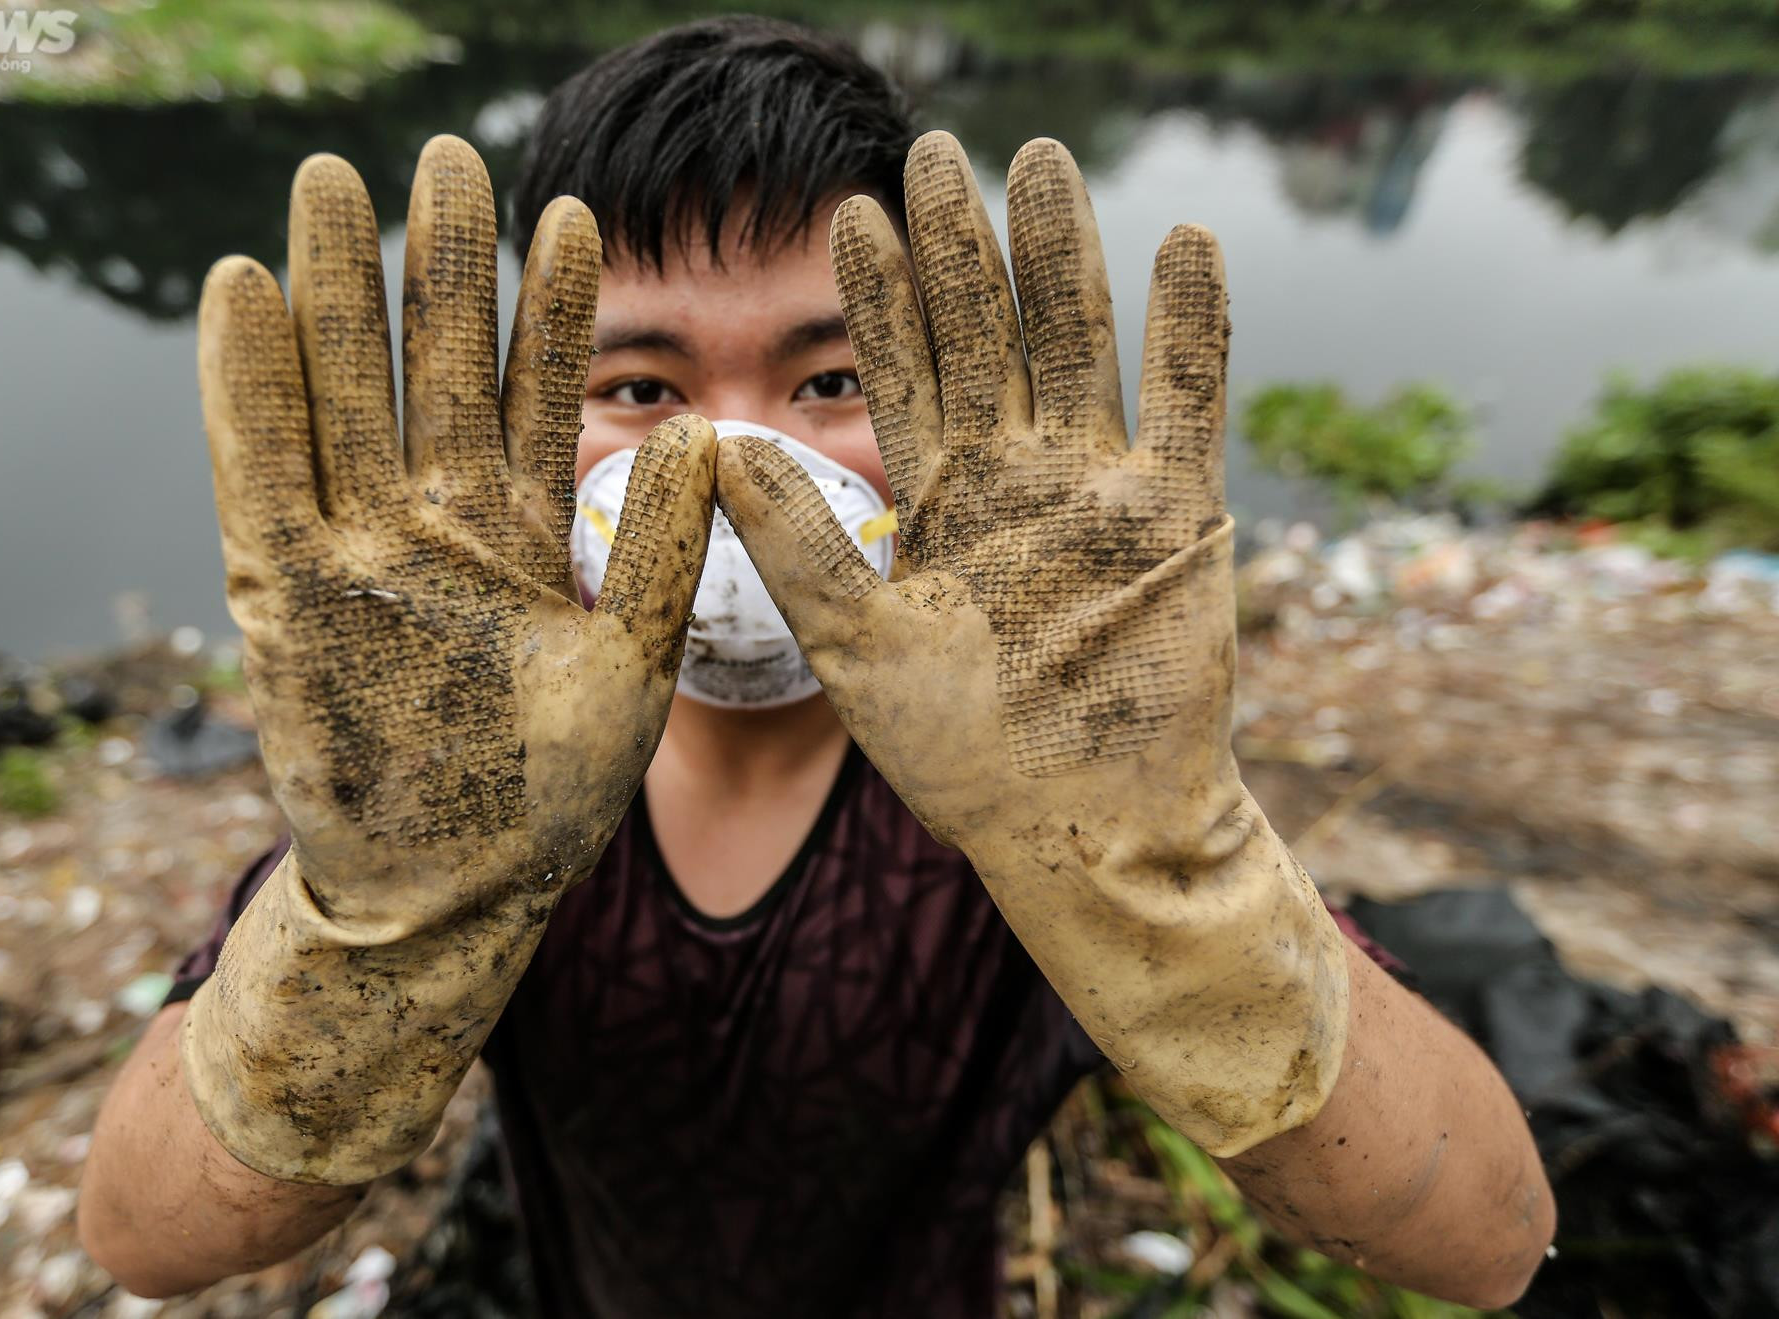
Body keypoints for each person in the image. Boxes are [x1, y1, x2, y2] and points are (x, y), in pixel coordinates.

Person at [78, 17, 1554, 1316]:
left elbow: (1489, 1241)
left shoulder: (1053, 790)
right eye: (641, 387)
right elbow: (143, 1232)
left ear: (940, 389)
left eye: (831, 381)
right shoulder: (456, 786)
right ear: (524, 410)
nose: (734, 466)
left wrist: (1170, 884)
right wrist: (388, 927)